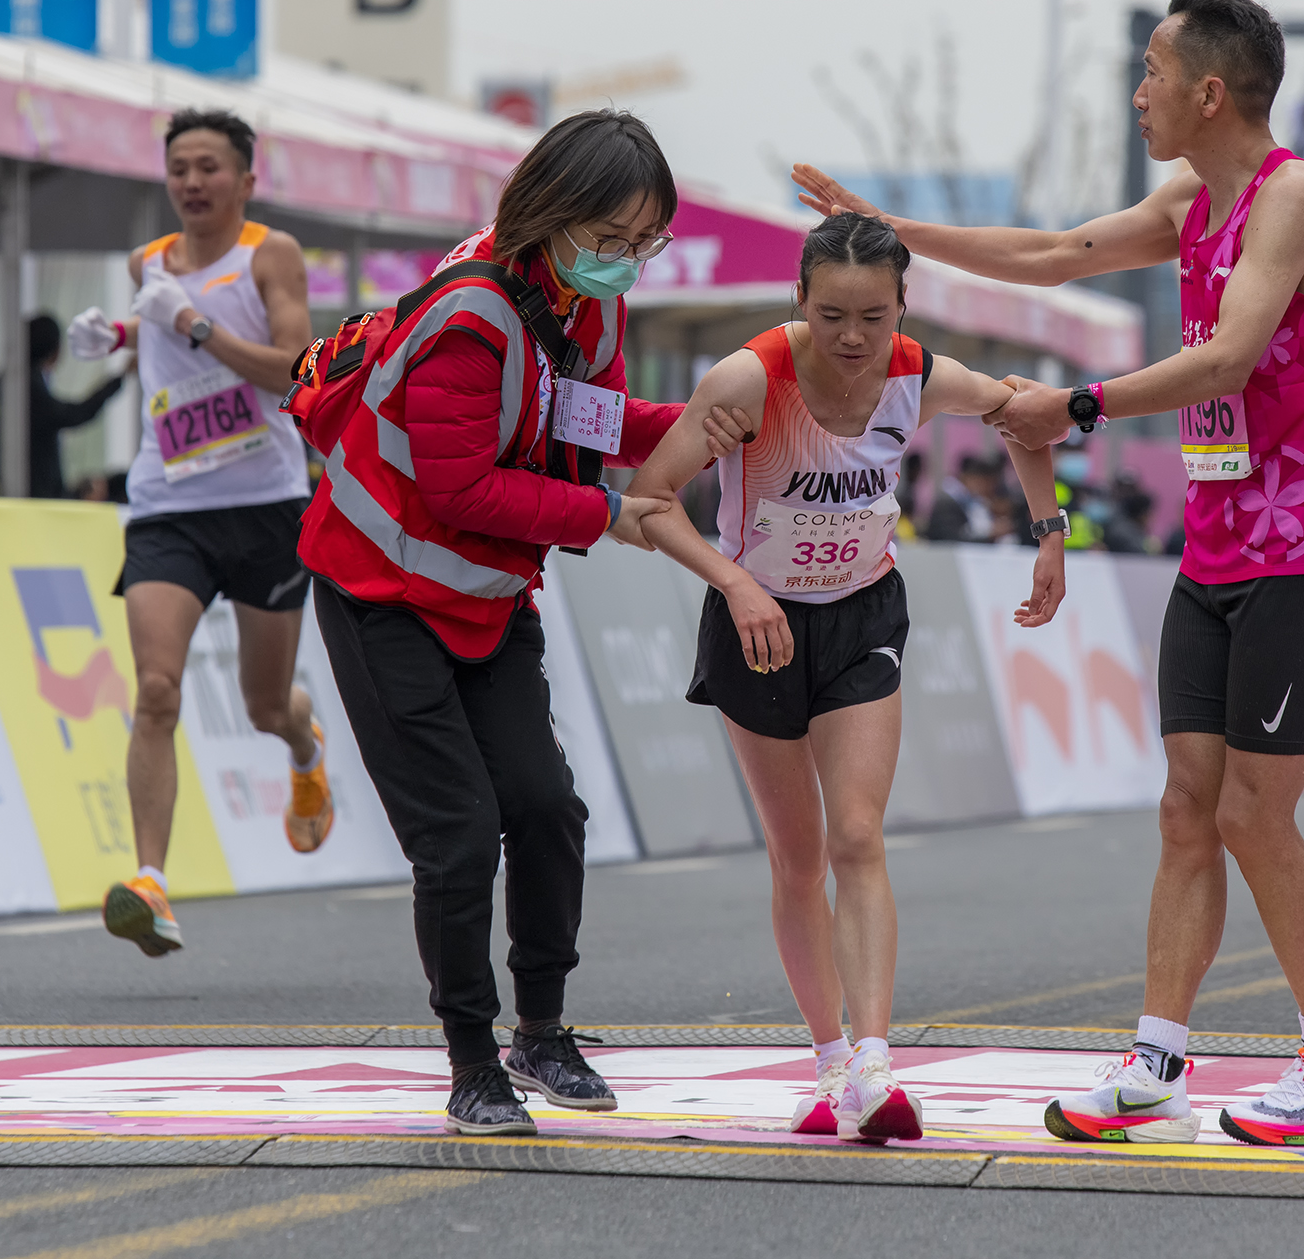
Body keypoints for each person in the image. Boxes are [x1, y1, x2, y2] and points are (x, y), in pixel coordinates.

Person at [794, 0, 1304, 1148]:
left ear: (1208, 92)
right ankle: (1157, 1065)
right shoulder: (1188, 199)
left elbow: (1226, 360)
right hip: (1218, 546)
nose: (1138, 93)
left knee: (1253, 813)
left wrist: (1073, 406)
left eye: (1152, 73)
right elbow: (1049, 253)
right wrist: (889, 230)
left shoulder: (1291, 196)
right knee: (1185, 808)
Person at [300, 110, 750, 1138]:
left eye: (644, 241)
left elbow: (584, 420)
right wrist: (606, 514)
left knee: (547, 809)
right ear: (551, 214)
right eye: (611, 238)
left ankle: (540, 1033)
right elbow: (460, 487)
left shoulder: (587, 304)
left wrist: (701, 426)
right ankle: (471, 1062)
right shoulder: (472, 315)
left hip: (486, 596)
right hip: (381, 593)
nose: (626, 260)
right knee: (458, 839)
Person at [625, 213, 1066, 1146]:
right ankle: (829, 1063)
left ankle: (873, 1062)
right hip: (759, 627)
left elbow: (1023, 414)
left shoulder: (919, 374)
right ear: (799, 300)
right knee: (799, 859)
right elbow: (648, 503)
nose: (854, 339)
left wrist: (1049, 531)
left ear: (903, 305)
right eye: (831, 317)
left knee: (858, 834)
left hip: (865, 615)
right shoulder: (750, 378)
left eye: (874, 316)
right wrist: (737, 583)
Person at [64, 109, 335, 961]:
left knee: (264, 706)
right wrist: (117, 333)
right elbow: (162, 327)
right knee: (156, 690)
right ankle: (150, 882)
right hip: (167, 503)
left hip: (264, 503)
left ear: (246, 180)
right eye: (179, 166)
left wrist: (193, 325)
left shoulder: (269, 255)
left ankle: (304, 745)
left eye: (209, 166)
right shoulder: (147, 261)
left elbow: (296, 371)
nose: (191, 181)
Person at [2, 313, 126, 499]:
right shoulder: (26, 386)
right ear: (54, 349)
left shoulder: (22, 382)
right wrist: (118, 379)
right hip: (36, 494)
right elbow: (72, 414)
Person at [921, 452, 1012, 543]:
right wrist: (991, 534)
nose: (990, 489)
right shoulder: (947, 503)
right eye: (987, 483)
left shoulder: (975, 501)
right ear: (970, 478)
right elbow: (954, 539)